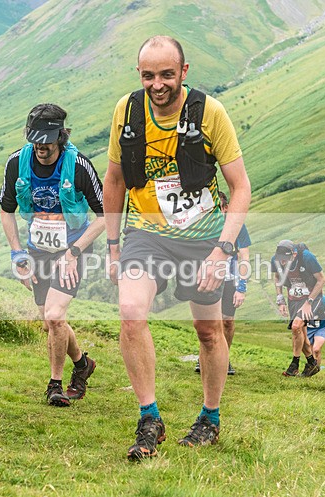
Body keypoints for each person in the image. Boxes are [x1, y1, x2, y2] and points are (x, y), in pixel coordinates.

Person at [103, 36, 251, 460]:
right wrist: (114, 248)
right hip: (146, 234)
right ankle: (149, 417)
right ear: (140, 75)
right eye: (148, 75)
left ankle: (210, 417)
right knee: (131, 313)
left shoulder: (209, 113)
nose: (158, 84)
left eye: (167, 74)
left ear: (184, 72)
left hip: (204, 237)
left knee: (209, 330)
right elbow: (114, 182)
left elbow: (241, 188)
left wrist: (223, 251)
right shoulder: (126, 111)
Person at [0, 103, 104, 406]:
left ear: (61, 135)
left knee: (56, 317)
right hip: (37, 250)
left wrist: (73, 252)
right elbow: (7, 211)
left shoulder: (79, 165)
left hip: (71, 249)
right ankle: (83, 364)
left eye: (47, 140)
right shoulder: (16, 163)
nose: (41, 146)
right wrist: (18, 254)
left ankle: (55, 384)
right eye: (35, 140)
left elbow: (105, 215)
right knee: (49, 321)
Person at [195, 191, 249, 375]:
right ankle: (205, 356)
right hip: (208, 277)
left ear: (226, 208)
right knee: (207, 321)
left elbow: (245, 257)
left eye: (218, 208)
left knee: (227, 321)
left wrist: (241, 288)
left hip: (229, 280)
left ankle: (223, 358)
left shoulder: (238, 227)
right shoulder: (202, 225)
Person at [272, 240, 325, 378]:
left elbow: (321, 280)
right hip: (294, 298)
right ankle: (311, 363)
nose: (283, 262)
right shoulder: (276, 259)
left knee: (296, 326)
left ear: (294, 254)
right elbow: (277, 277)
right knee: (300, 333)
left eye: (286, 259)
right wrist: (280, 298)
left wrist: (309, 302)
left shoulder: (306, 257)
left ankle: (294, 364)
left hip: (312, 296)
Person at [304, 296, 325, 369]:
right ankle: (313, 368)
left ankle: (316, 369)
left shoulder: (324, 300)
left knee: (316, 349)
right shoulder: (303, 299)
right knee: (310, 352)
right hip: (308, 329)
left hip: (321, 327)